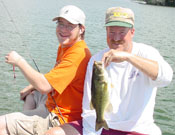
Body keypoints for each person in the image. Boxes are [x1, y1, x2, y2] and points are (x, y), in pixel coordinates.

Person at [44, 7, 173, 135]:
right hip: (101, 126)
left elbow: (166, 77)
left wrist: (129, 57)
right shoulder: (97, 60)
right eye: (111, 32)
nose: (116, 38)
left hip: (137, 130)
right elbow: (89, 109)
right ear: (106, 31)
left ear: (132, 32)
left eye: (122, 32)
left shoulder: (146, 53)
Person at [0, 5, 91, 135]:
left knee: (1, 125)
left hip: (59, 116)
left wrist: (19, 61)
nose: (63, 29)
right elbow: (55, 76)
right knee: (31, 94)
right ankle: (25, 122)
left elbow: (44, 86)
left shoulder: (78, 54)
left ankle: (23, 124)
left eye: (69, 26)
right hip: (53, 102)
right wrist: (32, 86)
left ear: (81, 29)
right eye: (60, 24)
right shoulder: (67, 45)